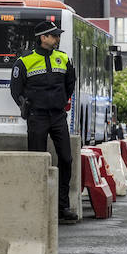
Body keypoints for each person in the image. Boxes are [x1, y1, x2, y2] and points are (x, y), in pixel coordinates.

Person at [10, 20, 78, 223]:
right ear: (43, 38)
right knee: (37, 161)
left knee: (66, 158)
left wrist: (60, 100)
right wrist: (27, 107)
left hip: (58, 116)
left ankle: (62, 207)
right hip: (37, 116)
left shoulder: (63, 58)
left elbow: (70, 83)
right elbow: (16, 89)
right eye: (54, 35)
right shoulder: (24, 61)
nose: (57, 38)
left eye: (57, 35)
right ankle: (37, 206)